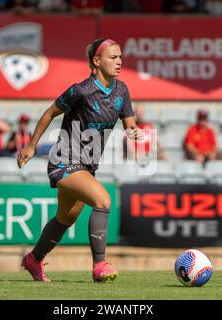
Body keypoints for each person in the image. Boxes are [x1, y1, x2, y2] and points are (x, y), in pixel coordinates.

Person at [17, 38, 142, 283]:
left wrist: (133, 131)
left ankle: (33, 259)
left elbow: (129, 124)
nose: (119, 62)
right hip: (65, 161)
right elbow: (50, 112)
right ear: (97, 61)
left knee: (65, 218)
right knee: (103, 199)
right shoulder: (81, 91)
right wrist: (31, 146)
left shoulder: (121, 90)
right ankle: (99, 266)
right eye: (113, 57)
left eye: (120, 57)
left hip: (87, 166)